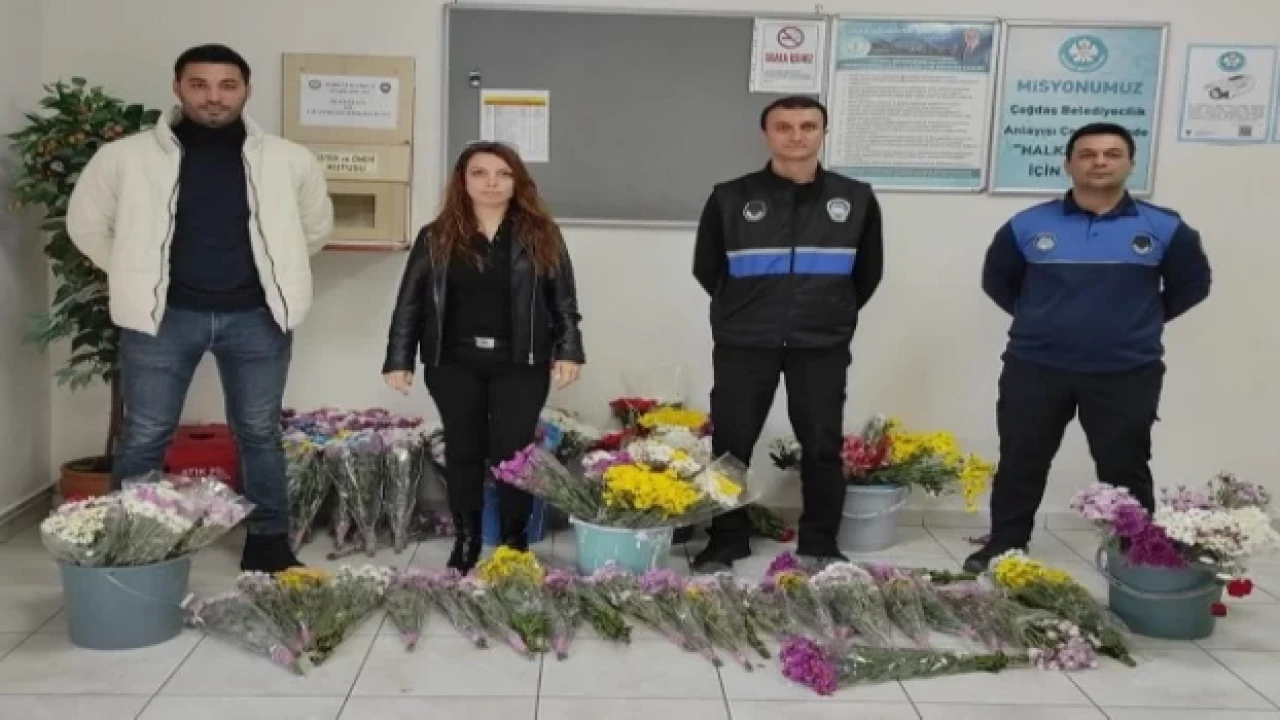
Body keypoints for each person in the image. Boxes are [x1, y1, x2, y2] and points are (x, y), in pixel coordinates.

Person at [65, 44, 333, 572]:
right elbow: (87, 225)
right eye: (199, 85)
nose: (214, 97)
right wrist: (134, 272)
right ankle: (132, 543)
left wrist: (273, 275)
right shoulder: (125, 158)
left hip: (258, 317)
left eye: (227, 85)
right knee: (145, 433)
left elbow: (315, 228)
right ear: (177, 87)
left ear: (246, 90)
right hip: (162, 317)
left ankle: (268, 541)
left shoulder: (289, 159)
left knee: (259, 432)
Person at [964, 123, 1211, 573]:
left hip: (1126, 370)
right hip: (1035, 366)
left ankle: (1138, 555)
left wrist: (1135, 323)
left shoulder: (1166, 228)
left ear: (1130, 164)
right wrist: (1043, 319)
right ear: (1069, 164)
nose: (1099, 162)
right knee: (1021, 459)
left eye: (1112, 154)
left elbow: (1191, 287)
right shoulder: (1026, 225)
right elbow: (998, 282)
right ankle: (1003, 546)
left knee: (1125, 465)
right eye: (1088, 154)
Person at [688, 96, 885, 572]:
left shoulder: (856, 199)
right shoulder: (730, 197)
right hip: (744, 341)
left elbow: (868, 273)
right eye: (784, 127)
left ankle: (820, 542)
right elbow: (707, 268)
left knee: (821, 445)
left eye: (807, 126)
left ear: (823, 133)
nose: (796, 136)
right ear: (767, 134)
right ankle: (726, 539)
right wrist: (745, 311)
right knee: (731, 444)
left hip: (820, 343)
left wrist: (829, 312)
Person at [382, 142, 585, 574]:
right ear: (463, 180)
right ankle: (467, 540)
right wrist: (399, 358)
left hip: (521, 364)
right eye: (479, 173)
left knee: (513, 454)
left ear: (517, 182)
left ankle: (514, 543)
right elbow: (410, 303)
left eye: (503, 174)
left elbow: (563, 300)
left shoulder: (541, 234)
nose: (491, 182)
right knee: (464, 451)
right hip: (453, 363)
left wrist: (569, 349)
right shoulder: (436, 236)